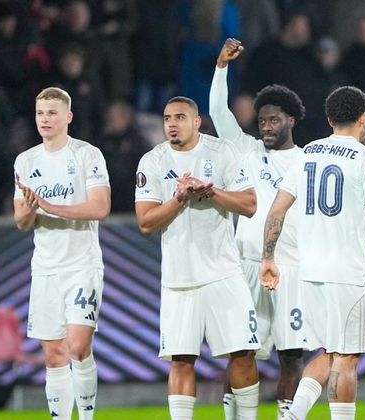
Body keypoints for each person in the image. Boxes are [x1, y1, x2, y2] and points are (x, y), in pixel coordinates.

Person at [260, 86, 365, 420]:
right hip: (346, 273)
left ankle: (292, 415)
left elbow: (276, 210)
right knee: (347, 357)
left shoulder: (307, 154)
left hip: (310, 272)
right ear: (363, 119)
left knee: (329, 353)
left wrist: (268, 258)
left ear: (330, 119)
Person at [134, 96, 260, 420]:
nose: (171, 124)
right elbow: (145, 222)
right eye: (167, 118)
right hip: (179, 280)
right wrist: (179, 199)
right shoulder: (152, 161)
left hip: (224, 273)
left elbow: (249, 205)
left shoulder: (222, 152)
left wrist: (212, 192)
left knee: (243, 353)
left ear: (196, 122)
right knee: (181, 360)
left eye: (179, 117)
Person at [209, 38, 316, 419]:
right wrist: (222, 67)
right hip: (247, 265)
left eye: (274, 120)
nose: (267, 127)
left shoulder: (308, 161)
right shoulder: (247, 151)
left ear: (292, 120)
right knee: (241, 352)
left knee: (292, 355)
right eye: (263, 121)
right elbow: (217, 111)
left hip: (292, 267)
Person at [13, 86, 111, 420]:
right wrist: (29, 209)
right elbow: (22, 221)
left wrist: (50, 207)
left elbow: (100, 207)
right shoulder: (26, 161)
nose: (45, 119)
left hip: (82, 265)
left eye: (52, 113)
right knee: (54, 354)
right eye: (40, 113)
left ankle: (86, 417)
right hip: (45, 268)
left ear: (68, 116)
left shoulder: (87, 155)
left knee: (78, 347)